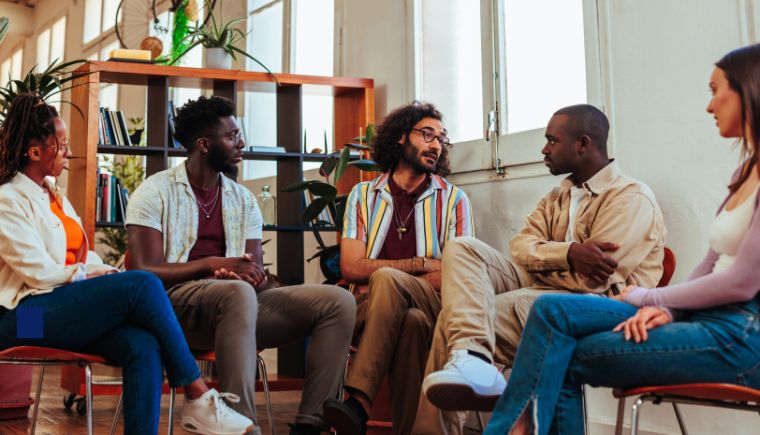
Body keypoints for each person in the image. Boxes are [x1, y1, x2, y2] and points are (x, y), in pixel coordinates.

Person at [483, 43, 760, 435]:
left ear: (749, 89)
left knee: (554, 352)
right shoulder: (745, 173)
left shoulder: (631, 196)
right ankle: (517, 426)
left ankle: (514, 427)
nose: (709, 106)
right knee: (551, 314)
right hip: (703, 318)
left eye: (716, 91)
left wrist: (652, 298)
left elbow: (743, 281)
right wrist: (673, 310)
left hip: (741, 335)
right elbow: (711, 264)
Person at [0, 93, 253, 435]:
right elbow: (39, 273)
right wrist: (100, 281)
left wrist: (104, 272)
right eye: (60, 146)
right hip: (22, 319)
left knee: (142, 346)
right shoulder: (8, 199)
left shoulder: (53, 195)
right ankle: (197, 395)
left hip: (59, 311)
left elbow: (81, 256)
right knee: (142, 283)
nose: (68, 152)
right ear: (34, 152)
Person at [415, 104, 667, 434]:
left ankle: (468, 368)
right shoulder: (556, 197)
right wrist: (569, 254)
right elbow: (519, 248)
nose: (544, 150)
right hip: (539, 291)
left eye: (552, 141)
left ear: (583, 143)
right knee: (462, 248)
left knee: (455, 319)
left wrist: (545, 261)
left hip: (593, 310)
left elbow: (592, 283)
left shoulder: (630, 198)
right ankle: (473, 360)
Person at [125, 95, 356, 435]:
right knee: (235, 292)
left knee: (338, 302)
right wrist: (212, 266)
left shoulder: (242, 199)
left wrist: (245, 274)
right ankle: (240, 424)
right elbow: (144, 270)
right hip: (174, 310)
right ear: (204, 145)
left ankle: (311, 425)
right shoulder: (154, 191)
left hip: (237, 306)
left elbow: (252, 273)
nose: (241, 142)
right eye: (232, 136)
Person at [322, 102, 473, 435]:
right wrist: (420, 264)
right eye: (427, 134)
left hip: (431, 303)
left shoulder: (454, 201)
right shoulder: (362, 196)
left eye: (441, 139)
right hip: (366, 308)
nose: (435, 144)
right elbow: (350, 266)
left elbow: (459, 273)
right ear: (402, 138)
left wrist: (388, 272)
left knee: (395, 286)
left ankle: (358, 402)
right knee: (410, 321)